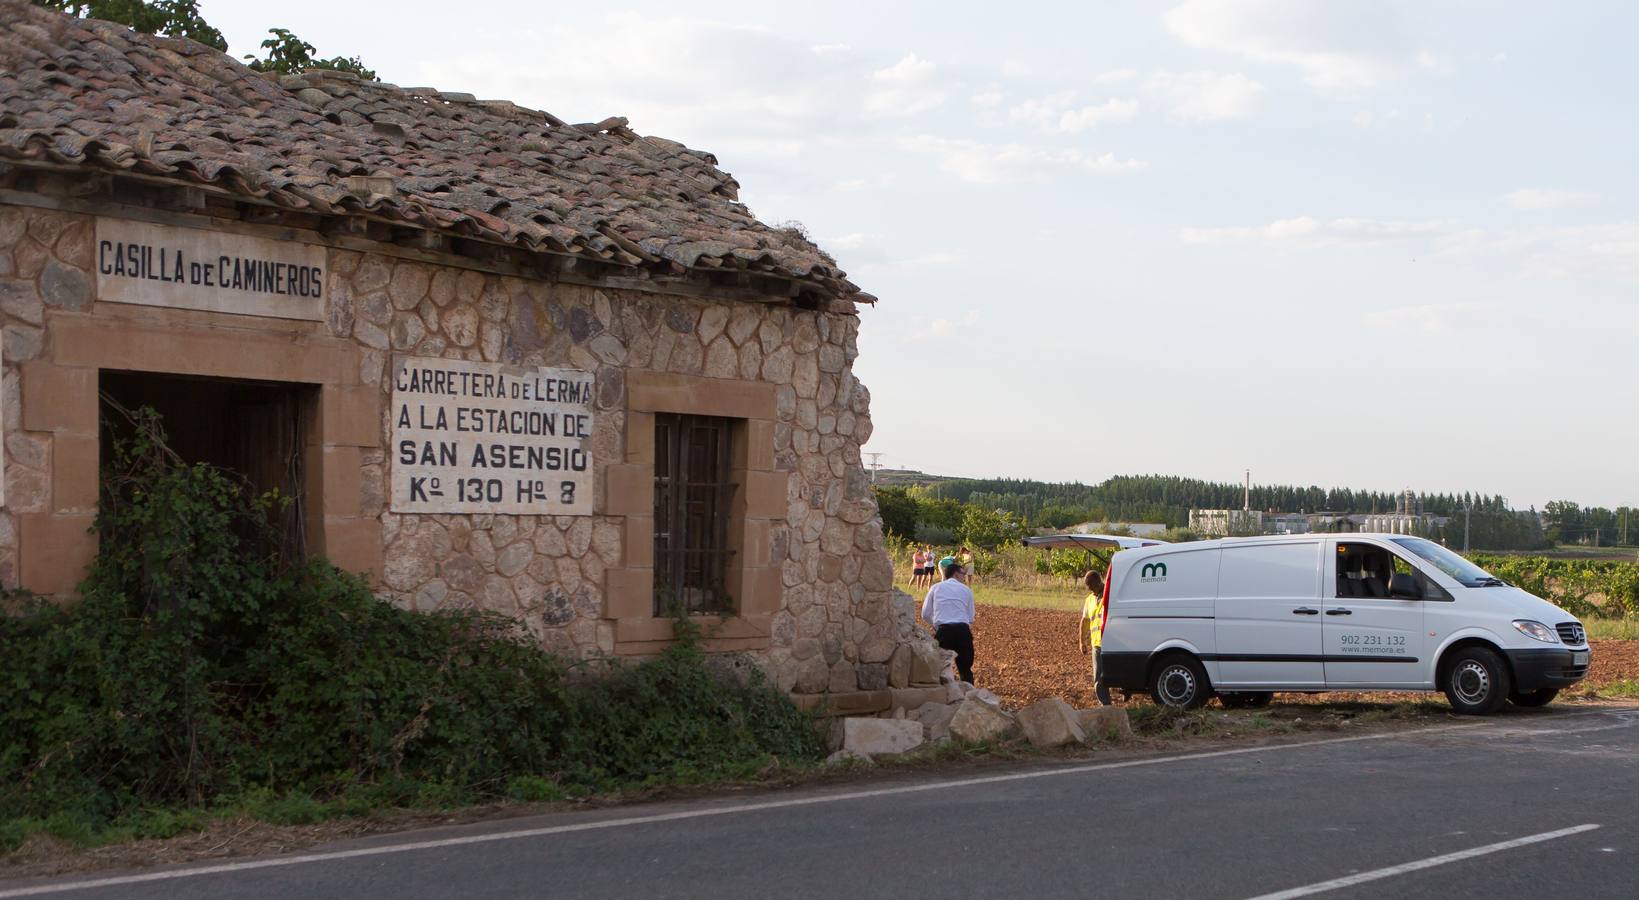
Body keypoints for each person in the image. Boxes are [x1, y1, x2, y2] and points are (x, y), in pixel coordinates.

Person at [921, 556, 976, 684]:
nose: (964, 577)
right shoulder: (967, 590)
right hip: (963, 631)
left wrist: (936, 625)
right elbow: (971, 617)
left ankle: (941, 698)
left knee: (939, 669)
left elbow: (925, 613)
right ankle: (969, 698)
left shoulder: (935, 588)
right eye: (963, 574)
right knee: (965, 670)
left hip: (944, 631)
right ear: (956, 574)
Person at [1077, 569, 1112, 705]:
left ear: (1098, 581)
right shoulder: (1089, 600)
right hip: (1097, 644)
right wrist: (1082, 641)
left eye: (1090, 585)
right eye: (1087, 586)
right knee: (1098, 678)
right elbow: (1085, 621)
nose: (1089, 588)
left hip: (1112, 642)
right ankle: (1105, 705)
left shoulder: (1109, 594)